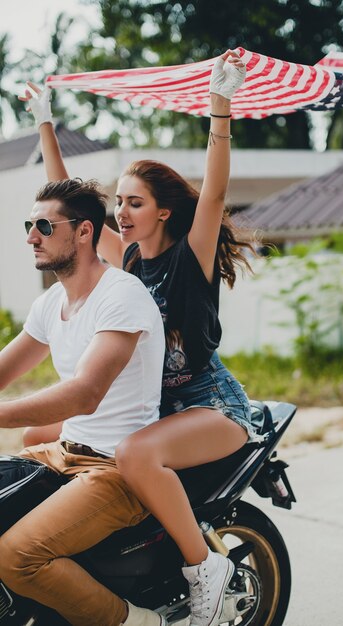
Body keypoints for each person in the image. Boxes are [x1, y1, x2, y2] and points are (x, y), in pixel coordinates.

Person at [20, 49, 259, 626]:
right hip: (153, 406)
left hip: (207, 403)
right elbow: (67, 200)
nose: (120, 212)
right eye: (119, 203)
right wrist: (44, 119)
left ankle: (206, 568)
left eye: (134, 203)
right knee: (34, 431)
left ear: (165, 212)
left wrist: (220, 104)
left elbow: (216, 193)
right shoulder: (124, 259)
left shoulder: (189, 258)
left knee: (133, 453)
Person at [0, 178, 167, 626]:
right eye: (28, 225)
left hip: (117, 471)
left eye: (43, 226)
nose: (31, 236)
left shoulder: (121, 295)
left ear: (83, 232)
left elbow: (85, 394)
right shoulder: (53, 301)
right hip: (64, 453)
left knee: (15, 556)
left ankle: (135, 621)